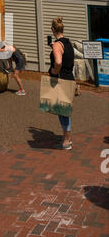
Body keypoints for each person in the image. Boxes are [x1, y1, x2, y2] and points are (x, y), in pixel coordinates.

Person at [49, 17, 75, 150]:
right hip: (69, 77)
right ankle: (67, 137)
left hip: (61, 80)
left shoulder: (57, 45)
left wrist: (54, 70)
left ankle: (66, 141)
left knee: (62, 112)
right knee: (65, 111)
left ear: (53, 29)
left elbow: (58, 62)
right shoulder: (68, 43)